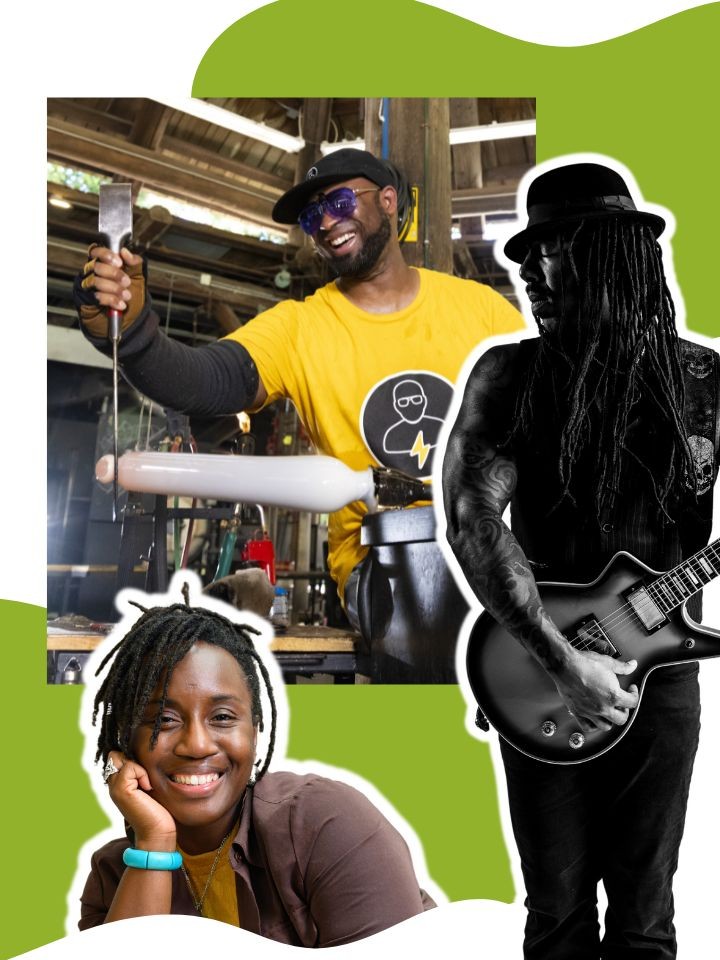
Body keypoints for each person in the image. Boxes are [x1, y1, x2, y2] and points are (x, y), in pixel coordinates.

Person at [442, 161, 719, 959]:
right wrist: (562, 661)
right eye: (523, 254)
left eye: (552, 247)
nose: (528, 270)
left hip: (662, 680)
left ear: (612, 251)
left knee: (645, 918)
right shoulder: (513, 376)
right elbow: (471, 519)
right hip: (536, 671)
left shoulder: (705, 382)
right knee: (557, 915)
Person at [74, 148, 523, 628]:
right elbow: (205, 380)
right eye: (313, 216)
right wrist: (136, 335)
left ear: (388, 201)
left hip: (496, 537)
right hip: (382, 563)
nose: (327, 222)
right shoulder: (300, 329)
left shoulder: (481, 311)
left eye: (342, 202)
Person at [79, 586, 435, 944]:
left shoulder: (325, 825)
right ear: (126, 740)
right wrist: (154, 843)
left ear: (255, 730)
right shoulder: (114, 877)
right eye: (164, 721)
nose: (197, 745)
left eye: (221, 716)